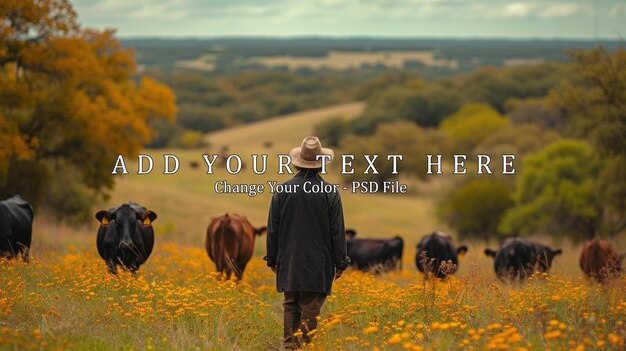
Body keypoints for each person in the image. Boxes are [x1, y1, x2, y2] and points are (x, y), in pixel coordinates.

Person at [264, 136, 349, 350]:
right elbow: (337, 231)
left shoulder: (282, 190)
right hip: (318, 261)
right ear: (321, 164)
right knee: (311, 306)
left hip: (289, 259)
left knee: (290, 304)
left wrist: (272, 259)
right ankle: (307, 345)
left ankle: (290, 346)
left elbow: (273, 228)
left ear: (297, 161)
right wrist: (341, 261)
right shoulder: (330, 192)